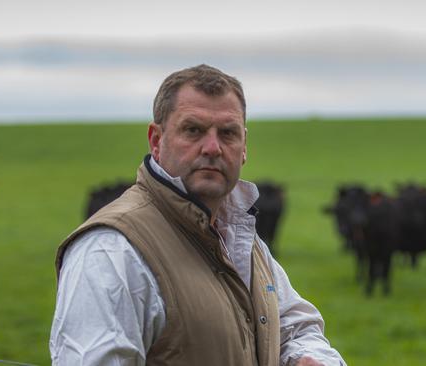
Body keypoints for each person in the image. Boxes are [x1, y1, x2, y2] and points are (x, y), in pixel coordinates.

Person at [49, 64, 346, 366]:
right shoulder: (112, 250)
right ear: (156, 140)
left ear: (244, 147)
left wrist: (307, 358)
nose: (213, 148)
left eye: (228, 133)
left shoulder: (239, 234)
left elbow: (295, 327)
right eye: (193, 130)